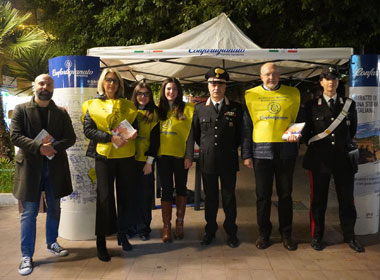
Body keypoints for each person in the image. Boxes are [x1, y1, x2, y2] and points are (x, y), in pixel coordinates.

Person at [10, 74, 76, 276]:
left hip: (54, 167)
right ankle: (27, 255)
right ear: (34, 86)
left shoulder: (60, 112)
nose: (45, 86)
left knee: (55, 208)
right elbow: (15, 136)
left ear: (53, 87)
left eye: (48, 84)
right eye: (41, 83)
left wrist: (51, 148)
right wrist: (40, 147)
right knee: (29, 213)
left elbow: (71, 138)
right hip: (30, 168)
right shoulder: (21, 109)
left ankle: (52, 242)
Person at [302, 66, 364, 253]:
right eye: (327, 79)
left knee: (346, 200)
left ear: (338, 82)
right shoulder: (311, 105)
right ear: (321, 82)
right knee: (318, 201)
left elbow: (351, 131)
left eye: (334, 79)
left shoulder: (348, 104)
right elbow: (307, 134)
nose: (331, 82)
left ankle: (350, 236)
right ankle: (317, 236)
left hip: (343, 159)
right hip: (319, 160)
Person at [241, 62, 302, 251]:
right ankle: (263, 234)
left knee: (285, 195)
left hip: (286, 151)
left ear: (280, 75)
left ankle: (286, 234)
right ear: (261, 76)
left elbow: (300, 118)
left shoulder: (293, 93)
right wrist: (247, 154)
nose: (271, 77)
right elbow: (246, 127)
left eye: (275, 74)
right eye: (267, 74)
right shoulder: (250, 95)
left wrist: (295, 133)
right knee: (262, 196)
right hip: (261, 153)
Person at [83, 68, 138, 262]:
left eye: (115, 81)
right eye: (108, 80)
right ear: (102, 82)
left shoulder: (129, 105)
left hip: (125, 156)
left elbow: (134, 125)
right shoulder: (92, 104)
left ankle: (123, 235)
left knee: (124, 197)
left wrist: (132, 133)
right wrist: (109, 137)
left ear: (119, 85)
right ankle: (101, 242)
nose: (111, 84)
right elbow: (88, 130)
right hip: (103, 157)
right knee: (104, 199)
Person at [186, 67, 243, 248]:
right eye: (213, 84)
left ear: (225, 87)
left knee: (228, 198)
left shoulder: (236, 108)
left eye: (220, 84)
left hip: (228, 161)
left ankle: (231, 232)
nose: (216, 87)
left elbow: (241, 135)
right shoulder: (200, 109)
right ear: (208, 86)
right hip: (208, 161)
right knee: (210, 198)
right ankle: (210, 230)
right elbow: (194, 134)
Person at [156, 77, 194, 243]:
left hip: (180, 156)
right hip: (162, 156)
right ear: (164, 91)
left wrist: (189, 155)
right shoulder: (158, 110)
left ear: (179, 92)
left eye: (174, 89)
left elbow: (191, 136)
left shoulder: (187, 109)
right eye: (168, 89)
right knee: (165, 190)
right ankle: (166, 226)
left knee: (181, 188)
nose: (171, 92)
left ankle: (179, 223)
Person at [129, 81, 160, 241]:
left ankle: (143, 228)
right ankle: (131, 226)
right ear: (135, 95)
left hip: (145, 161)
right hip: (128, 159)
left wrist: (150, 162)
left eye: (146, 94)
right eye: (140, 93)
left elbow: (156, 141)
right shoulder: (128, 111)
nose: (143, 97)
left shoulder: (154, 114)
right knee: (130, 195)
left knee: (145, 196)